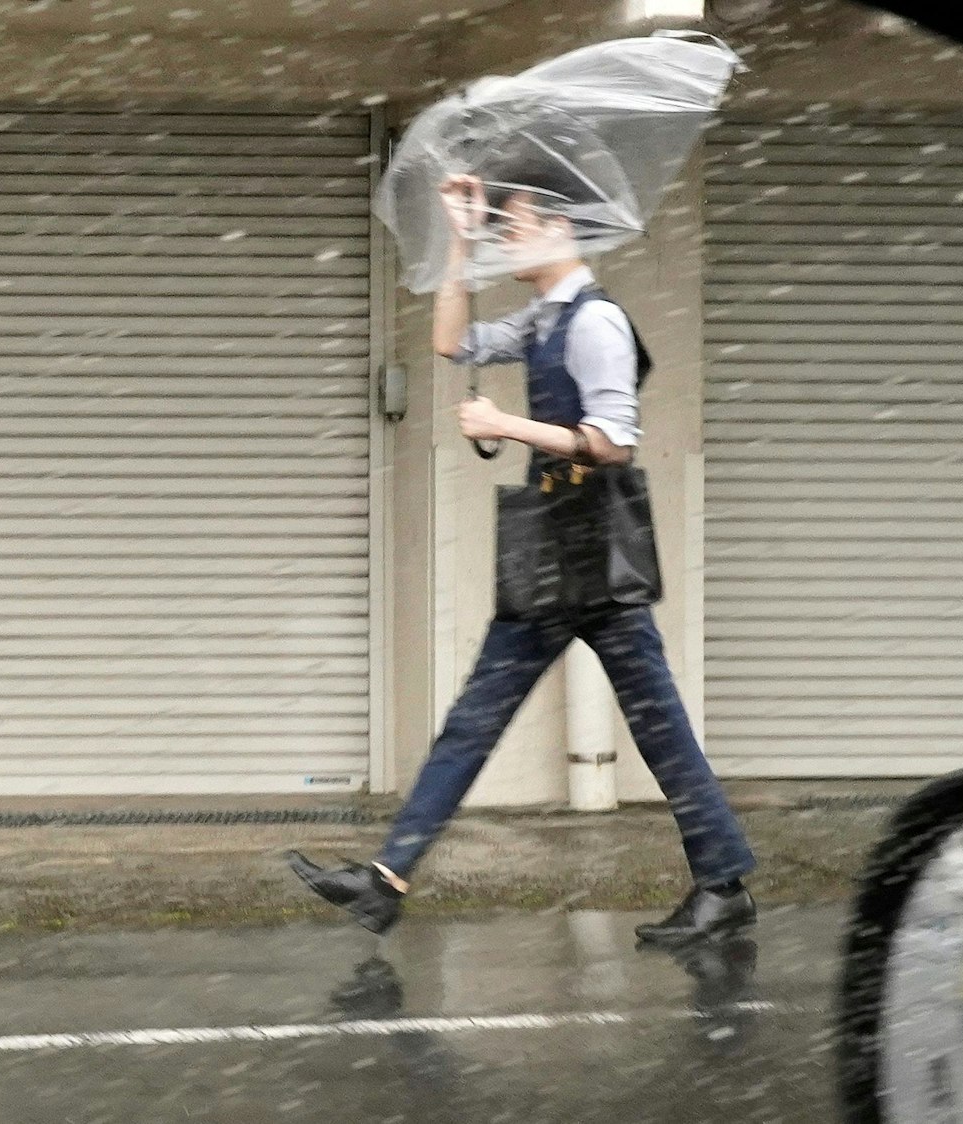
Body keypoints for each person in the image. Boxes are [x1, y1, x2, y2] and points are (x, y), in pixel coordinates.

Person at [288, 161, 758, 946]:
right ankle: (386, 879)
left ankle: (722, 886)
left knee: (656, 727)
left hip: (595, 554)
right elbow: (451, 341)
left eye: (515, 228)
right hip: (551, 551)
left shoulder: (596, 322)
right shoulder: (542, 319)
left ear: (560, 227)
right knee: (477, 719)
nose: (506, 241)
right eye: (501, 231)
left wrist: (506, 426)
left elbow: (613, 441)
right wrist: (459, 242)